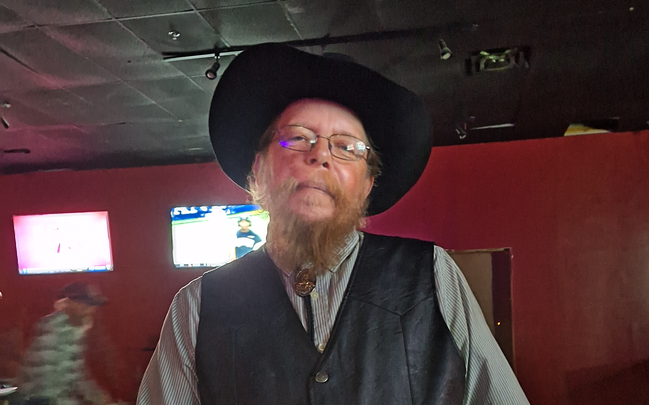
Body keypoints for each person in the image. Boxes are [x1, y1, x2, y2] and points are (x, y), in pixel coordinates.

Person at [138, 43, 529, 405]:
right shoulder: (196, 308)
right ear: (258, 169)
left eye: (346, 147)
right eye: (298, 138)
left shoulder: (432, 277)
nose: (320, 155)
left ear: (367, 184)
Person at [17, 282, 111, 405]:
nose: (90, 310)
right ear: (68, 303)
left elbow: (77, 373)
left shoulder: (76, 329)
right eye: (85, 304)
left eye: (93, 305)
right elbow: (47, 388)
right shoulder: (51, 331)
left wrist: (97, 396)